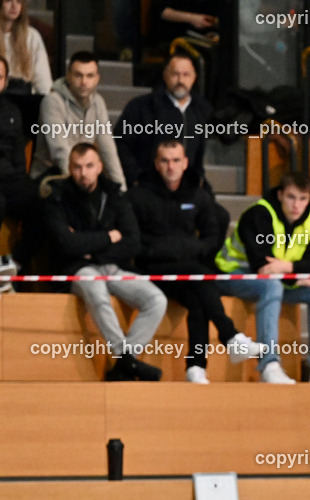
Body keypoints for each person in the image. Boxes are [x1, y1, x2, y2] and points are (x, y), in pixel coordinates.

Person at [130, 140, 265, 383]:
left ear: (185, 163)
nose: (171, 166)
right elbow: (134, 243)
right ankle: (230, 336)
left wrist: (194, 249)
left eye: (176, 160)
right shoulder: (139, 195)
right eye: (165, 161)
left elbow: (213, 234)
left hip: (185, 272)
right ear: (156, 165)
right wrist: (181, 250)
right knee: (200, 274)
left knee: (199, 298)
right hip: (150, 270)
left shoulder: (197, 194)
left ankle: (196, 367)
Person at [43, 143, 167, 381]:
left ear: (100, 167)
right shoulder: (57, 197)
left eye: (89, 166)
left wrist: (89, 247)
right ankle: (126, 360)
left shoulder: (114, 194)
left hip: (112, 266)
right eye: (77, 167)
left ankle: (124, 365)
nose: (83, 172)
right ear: (69, 168)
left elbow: (132, 242)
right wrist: (109, 237)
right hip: (76, 269)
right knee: (97, 289)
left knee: (156, 299)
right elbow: (66, 245)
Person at [216, 172, 310, 385]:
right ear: (280, 195)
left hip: (277, 279)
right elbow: (260, 266)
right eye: (291, 197)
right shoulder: (258, 214)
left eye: (303, 199)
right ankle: (269, 364)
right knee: (271, 285)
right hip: (232, 275)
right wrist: (296, 277)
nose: (297, 205)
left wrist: (287, 267)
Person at [116, 53, 213, 188]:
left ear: (194, 77)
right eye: (175, 74)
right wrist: (136, 178)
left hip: (187, 188)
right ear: (165, 75)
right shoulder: (142, 106)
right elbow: (121, 144)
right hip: (149, 187)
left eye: (186, 75)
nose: (180, 80)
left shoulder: (201, 109)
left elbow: (198, 155)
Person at [30, 51, 125, 188]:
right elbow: (60, 151)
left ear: (97, 78)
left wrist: (121, 189)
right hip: (50, 175)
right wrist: (81, 183)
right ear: (68, 76)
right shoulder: (52, 101)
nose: (84, 82)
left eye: (89, 76)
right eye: (78, 75)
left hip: (82, 174)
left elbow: (108, 149)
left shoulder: (98, 103)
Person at [0, 52, 38, 272]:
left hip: (9, 178)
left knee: (43, 203)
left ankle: (17, 262)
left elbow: (17, 155)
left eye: (0, 77)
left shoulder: (12, 111)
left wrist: (21, 181)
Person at [0, 0, 50, 95]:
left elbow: (43, 81)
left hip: (23, 98)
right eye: (8, 0)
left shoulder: (32, 36)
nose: (14, 6)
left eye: (18, 1)